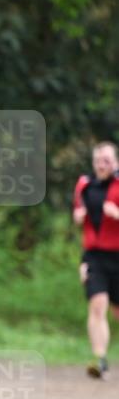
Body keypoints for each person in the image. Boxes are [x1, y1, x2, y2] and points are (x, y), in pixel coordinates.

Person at [72, 141, 119, 379]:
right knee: (97, 304)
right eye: (98, 161)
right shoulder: (84, 185)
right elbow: (78, 213)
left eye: (107, 161)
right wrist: (78, 217)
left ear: (116, 163)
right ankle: (99, 359)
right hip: (95, 255)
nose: (102, 165)